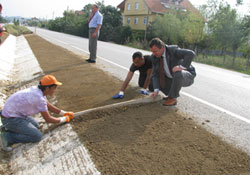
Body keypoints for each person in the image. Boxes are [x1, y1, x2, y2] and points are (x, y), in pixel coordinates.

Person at [0, 75, 74, 151]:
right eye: (54, 88)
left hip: (14, 114)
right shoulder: (39, 98)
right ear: (47, 88)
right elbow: (48, 119)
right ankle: (8, 137)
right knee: (36, 136)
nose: (55, 90)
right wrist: (64, 119)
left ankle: (8, 128)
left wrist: (64, 113)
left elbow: (48, 105)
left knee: (36, 125)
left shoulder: (39, 91)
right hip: (10, 119)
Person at [149, 38, 196, 106]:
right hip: (171, 77)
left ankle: (173, 98)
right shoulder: (154, 57)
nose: (154, 54)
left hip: (187, 75)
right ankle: (170, 95)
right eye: (152, 51)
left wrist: (181, 67)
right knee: (152, 78)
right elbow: (155, 74)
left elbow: (191, 54)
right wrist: (156, 90)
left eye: (155, 51)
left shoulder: (173, 50)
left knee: (177, 72)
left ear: (162, 47)